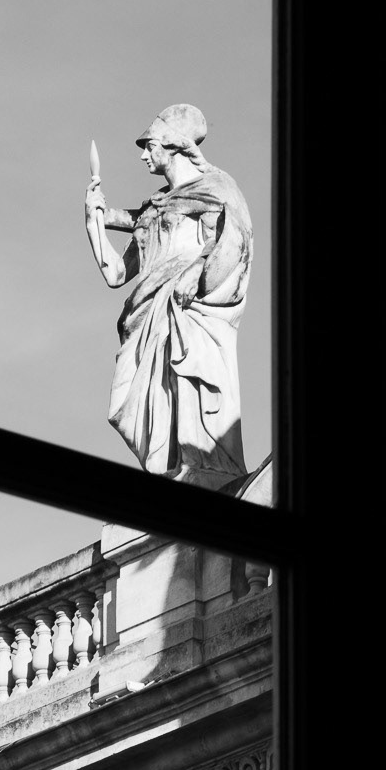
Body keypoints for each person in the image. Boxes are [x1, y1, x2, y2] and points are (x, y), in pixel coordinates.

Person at [84, 103, 252, 485]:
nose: (144, 154)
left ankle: (205, 465)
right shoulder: (152, 211)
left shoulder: (216, 189)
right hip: (149, 313)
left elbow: (234, 240)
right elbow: (116, 274)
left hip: (192, 309)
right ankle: (170, 468)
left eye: (150, 145)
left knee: (190, 381)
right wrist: (96, 223)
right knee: (150, 398)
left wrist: (199, 274)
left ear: (173, 145)